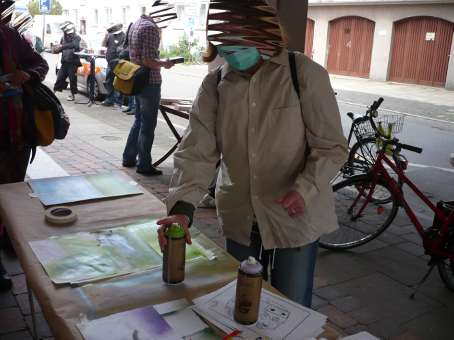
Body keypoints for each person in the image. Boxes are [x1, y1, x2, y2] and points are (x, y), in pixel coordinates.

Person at [157, 0, 348, 308]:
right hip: (240, 213)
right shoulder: (216, 83)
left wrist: (306, 188)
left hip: (294, 215)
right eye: (224, 43)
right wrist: (182, 206)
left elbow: (331, 146)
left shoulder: (304, 75)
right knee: (241, 302)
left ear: (263, 33)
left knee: (290, 304)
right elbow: (196, 151)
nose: (231, 51)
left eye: (238, 41)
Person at [0, 0, 49, 291]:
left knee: (13, 192)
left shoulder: (9, 35)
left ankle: (9, 237)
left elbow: (39, 63)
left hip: (14, 131)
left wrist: (26, 74)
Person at [122, 2, 175, 176]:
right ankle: (144, 165)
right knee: (147, 125)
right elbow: (148, 60)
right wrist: (165, 64)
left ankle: (129, 158)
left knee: (138, 120)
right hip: (149, 82)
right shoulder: (151, 29)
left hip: (136, 80)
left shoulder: (136, 23)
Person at [53, 21, 81, 102]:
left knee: (72, 79)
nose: (66, 33)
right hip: (65, 62)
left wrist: (62, 46)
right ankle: (53, 93)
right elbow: (60, 48)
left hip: (73, 62)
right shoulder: (63, 38)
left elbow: (74, 45)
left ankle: (73, 95)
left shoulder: (77, 37)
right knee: (59, 78)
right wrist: (56, 49)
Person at [101, 23, 126, 107]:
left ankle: (118, 102)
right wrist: (106, 36)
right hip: (110, 63)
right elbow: (104, 45)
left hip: (119, 63)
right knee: (109, 82)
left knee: (119, 83)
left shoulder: (124, 36)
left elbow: (123, 49)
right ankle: (109, 100)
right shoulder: (110, 36)